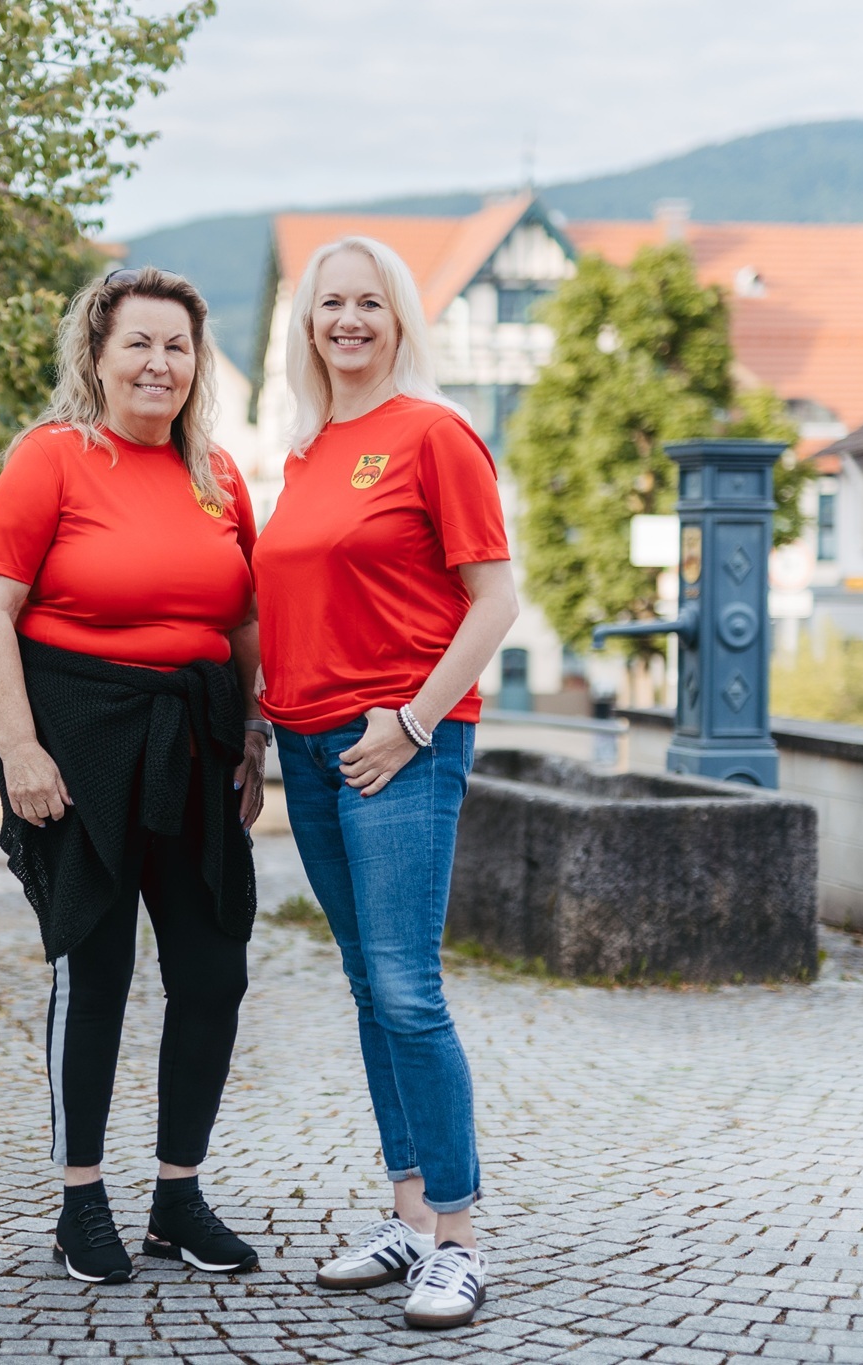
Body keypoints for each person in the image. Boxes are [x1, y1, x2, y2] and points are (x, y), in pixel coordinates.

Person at [0, 267, 271, 1285]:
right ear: (94, 355)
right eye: (138, 343)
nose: (158, 362)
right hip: (79, 742)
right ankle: (78, 1199)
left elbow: (240, 625)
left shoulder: (216, 476)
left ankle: (177, 1196)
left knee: (212, 972)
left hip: (195, 744)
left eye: (177, 346)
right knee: (93, 975)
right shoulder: (49, 459)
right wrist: (19, 751)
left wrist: (254, 736)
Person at [251, 237, 520, 1330]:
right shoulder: (311, 450)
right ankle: (407, 1218)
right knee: (367, 985)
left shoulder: (435, 434)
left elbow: (494, 601)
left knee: (409, 990)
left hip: (398, 748)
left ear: (400, 320)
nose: (348, 319)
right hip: (308, 749)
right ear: (306, 325)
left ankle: (459, 1239)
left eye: (370, 303)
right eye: (331, 305)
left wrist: (410, 722)